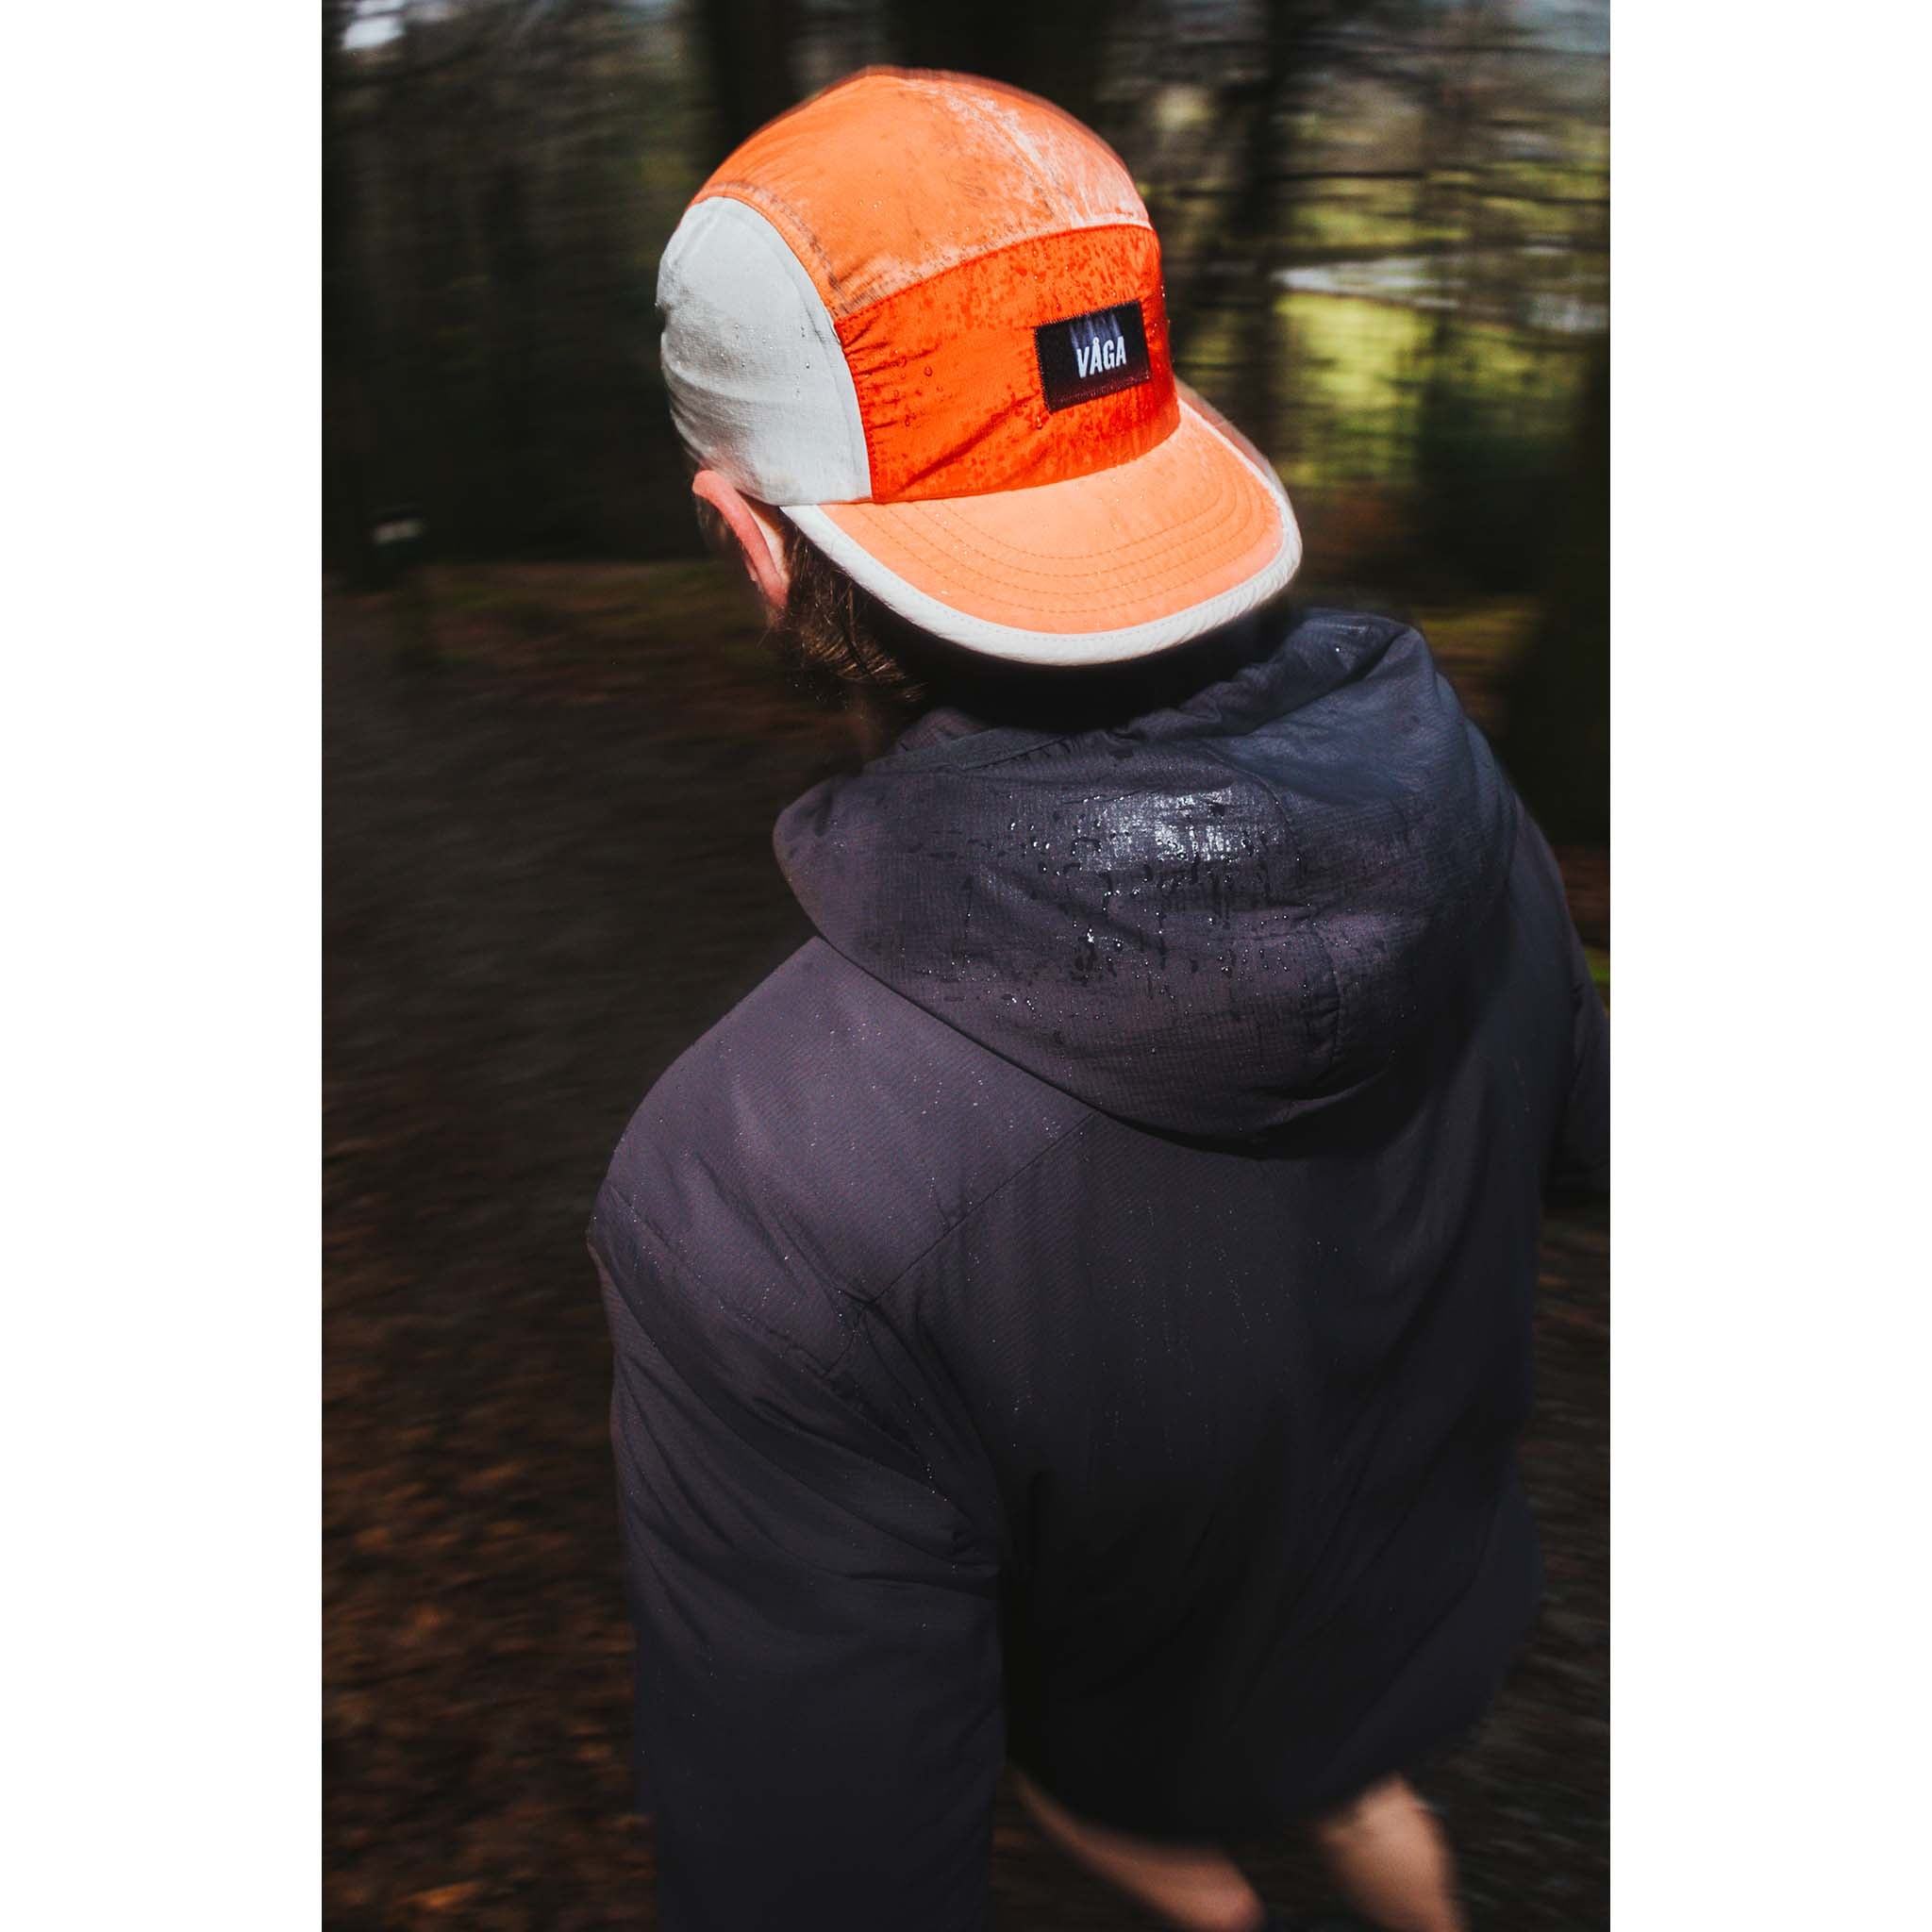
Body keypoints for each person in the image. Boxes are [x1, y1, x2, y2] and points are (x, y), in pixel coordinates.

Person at [590, 67, 1609, 1932]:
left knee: (1192, 1879)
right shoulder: (1456, 790)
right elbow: (1579, 1136)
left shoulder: (748, 1192)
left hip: (1154, 1714)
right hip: (1417, 1608)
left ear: (749, 536)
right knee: (1377, 1825)